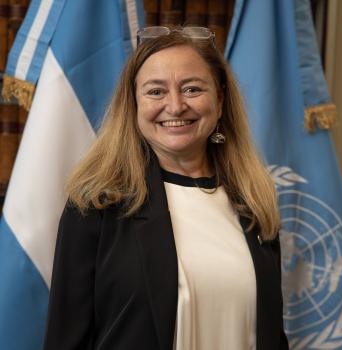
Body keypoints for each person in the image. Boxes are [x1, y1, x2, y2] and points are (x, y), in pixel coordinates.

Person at [43, 27, 289, 350]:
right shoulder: (96, 207)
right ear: (133, 104)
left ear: (220, 98)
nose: (175, 106)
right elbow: (66, 341)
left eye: (192, 89)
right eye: (156, 92)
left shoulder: (253, 201)